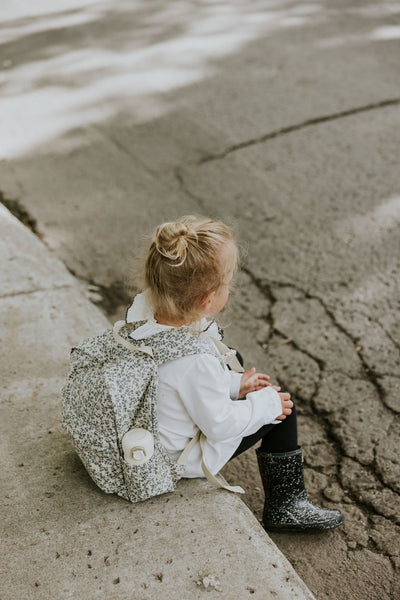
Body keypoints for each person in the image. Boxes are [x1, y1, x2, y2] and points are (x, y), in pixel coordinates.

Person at [126, 215, 344, 531]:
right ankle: (286, 507)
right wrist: (267, 405)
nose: (231, 286)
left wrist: (234, 384)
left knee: (233, 360)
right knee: (283, 411)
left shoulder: (143, 315)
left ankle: (286, 502)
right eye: (227, 281)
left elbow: (183, 383)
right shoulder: (194, 363)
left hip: (153, 423)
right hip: (179, 456)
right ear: (207, 299)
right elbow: (220, 424)